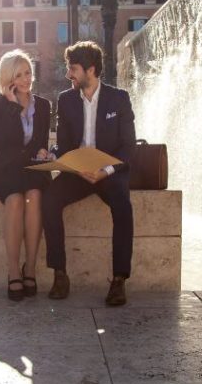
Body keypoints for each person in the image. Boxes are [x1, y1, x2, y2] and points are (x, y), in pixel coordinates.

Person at [42, 41, 135, 306]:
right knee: (49, 200)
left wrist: (105, 171)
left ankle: (119, 280)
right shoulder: (66, 99)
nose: (68, 74)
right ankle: (59, 273)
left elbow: (128, 147)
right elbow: (65, 144)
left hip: (109, 173)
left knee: (123, 206)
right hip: (78, 172)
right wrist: (54, 155)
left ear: (90, 70)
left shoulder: (119, 99)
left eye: (73, 69)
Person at [0, 49, 52, 301]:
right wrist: (13, 107)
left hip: (32, 168)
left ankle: (30, 267)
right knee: (14, 199)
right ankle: (13, 269)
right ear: (8, 78)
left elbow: (40, 142)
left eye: (28, 73)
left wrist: (44, 151)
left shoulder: (43, 105)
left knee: (34, 195)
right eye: (19, 74)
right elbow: (3, 143)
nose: (26, 79)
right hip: (6, 168)